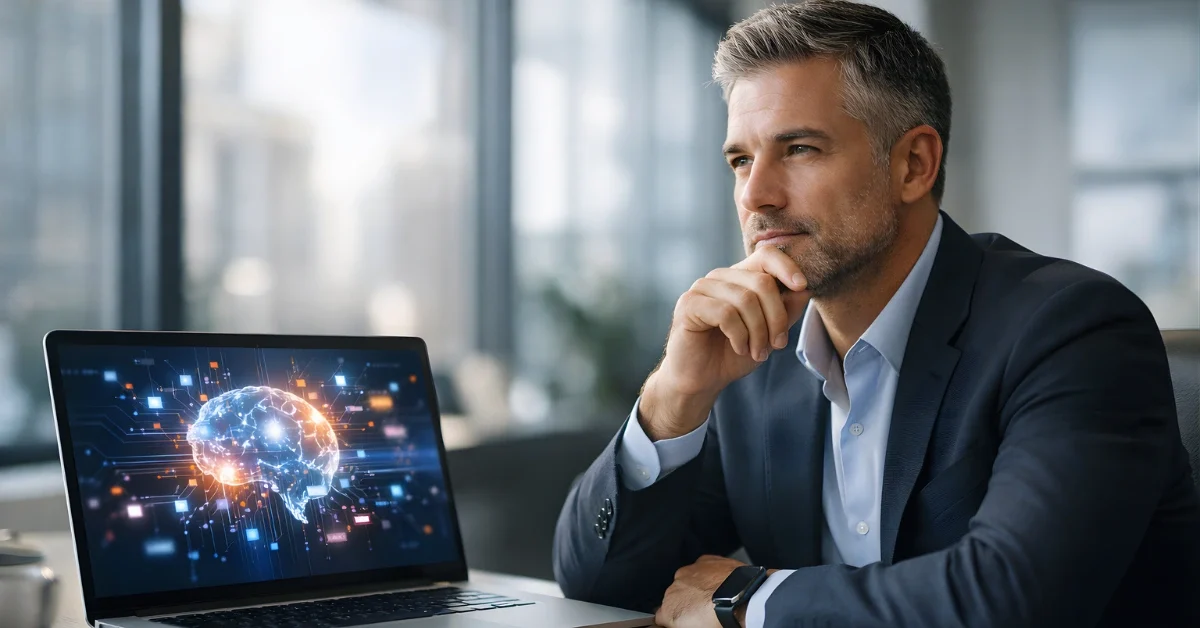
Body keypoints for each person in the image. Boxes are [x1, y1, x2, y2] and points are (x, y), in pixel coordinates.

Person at [551, 1, 1200, 626]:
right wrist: (673, 396)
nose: (756, 195)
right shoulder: (755, 358)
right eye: (741, 160)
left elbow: (1012, 599)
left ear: (914, 164)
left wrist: (749, 600)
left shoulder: (1074, 330)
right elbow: (601, 587)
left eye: (799, 149)